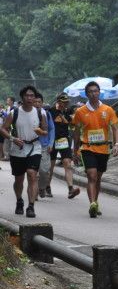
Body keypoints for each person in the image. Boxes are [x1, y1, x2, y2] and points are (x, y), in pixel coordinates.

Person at [71, 81, 118, 218]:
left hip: (103, 148)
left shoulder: (108, 110)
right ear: (86, 94)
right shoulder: (80, 112)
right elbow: (76, 132)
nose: (93, 94)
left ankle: (96, 201)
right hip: (87, 148)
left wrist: (116, 144)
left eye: (96, 91)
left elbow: (115, 128)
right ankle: (92, 203)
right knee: (91, 175)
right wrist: (75, 150)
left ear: (99, 92)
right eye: (90, 91)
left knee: (98, 178)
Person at [0, 86, 47, 218]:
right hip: (18, 149)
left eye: (32, 96)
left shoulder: (40, 113)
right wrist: (13, 138)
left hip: (34, 147)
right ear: (22, 97)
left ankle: (31, 206)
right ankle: (19, 200)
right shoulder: (14, 113)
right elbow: (3, 129)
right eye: (27, 95)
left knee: (32, 175)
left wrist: (41, 132)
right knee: (19, 179)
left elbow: (45, 131)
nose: (30, 98)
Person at [49, 93, 80, 199]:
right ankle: (47, 186)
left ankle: (71, 189)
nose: (65, 104)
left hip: (64, 141)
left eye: (66, 102)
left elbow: (72, 124)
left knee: (68, 164)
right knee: (51, 166)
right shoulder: (50, 112)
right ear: (58, 102)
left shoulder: (67, 112)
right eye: (63, 102)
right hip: (52, 141)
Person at [33, 93, 55, 200]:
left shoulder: (47, 114)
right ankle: (33, 191)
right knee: (33, 172)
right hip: (31, 146)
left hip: (44, 146)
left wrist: (51, 143)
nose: (37, 104)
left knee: (44, 171)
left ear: (42, 103)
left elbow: (51, 129)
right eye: (35, 102)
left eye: (39, 102)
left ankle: (42, 187)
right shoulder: (27, 114)